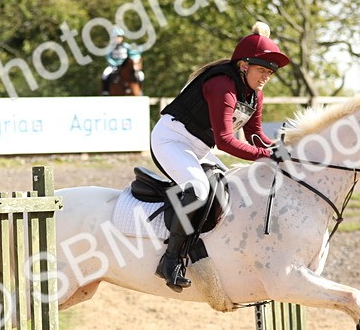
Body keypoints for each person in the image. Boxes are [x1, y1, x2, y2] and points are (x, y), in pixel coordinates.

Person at [150, 21, 288, 290]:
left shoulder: (254, 95)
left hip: (199, 148)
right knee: (200, 190)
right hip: (171, 140)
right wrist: (266, 156)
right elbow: (225, 141)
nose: (265, 78)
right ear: (244, 66)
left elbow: (255, 135)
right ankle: (170, 260)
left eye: (269, 74)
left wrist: (279, 150)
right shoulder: (221, 84)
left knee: (230, 190)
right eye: (262, 70)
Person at [101, 28, 143, 94]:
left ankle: (140, 90)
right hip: (114, 66)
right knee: (105, 74)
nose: (119, 39)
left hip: (125, 66)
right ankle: (105, 91)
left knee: (140, 75)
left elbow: (132, 55)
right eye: (117, 37)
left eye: (120, 37)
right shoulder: (110, 47)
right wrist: (115, 64)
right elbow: (108, 58)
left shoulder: (126, 46)